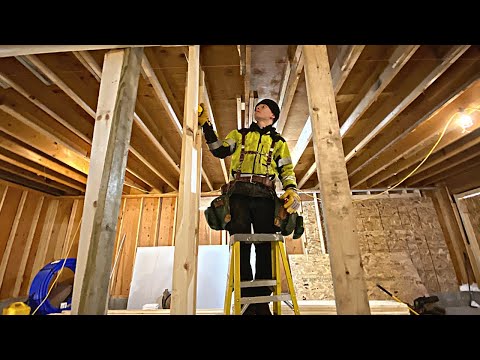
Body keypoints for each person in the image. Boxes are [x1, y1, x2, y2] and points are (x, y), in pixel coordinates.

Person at [198, 98, 300, 315]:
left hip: (265, 196)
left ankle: (261, 303)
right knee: (241, 245)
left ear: (273, 115)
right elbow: (219, 150)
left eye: (263, 106)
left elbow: (286, 170)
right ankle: (245, 303)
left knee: (265, 246)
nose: (258, 108)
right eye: (257, 106)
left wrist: (292, 189)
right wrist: (207, 126)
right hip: (239, 195)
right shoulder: (239, 135)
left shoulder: (279, 142)